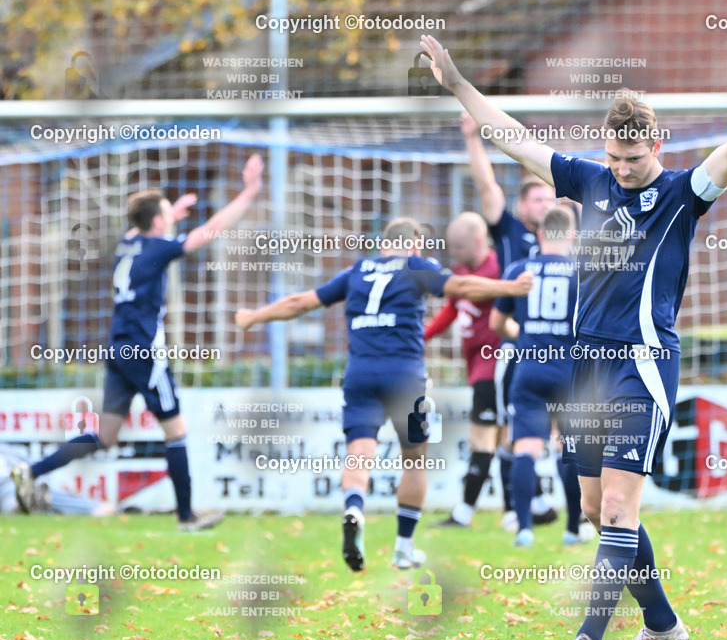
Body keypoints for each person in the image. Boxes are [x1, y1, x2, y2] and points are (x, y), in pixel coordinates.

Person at [418, 26, 727, 640]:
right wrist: (458, 83)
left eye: (635, 159)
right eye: (616, 159)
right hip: (584, 368)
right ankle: (663, 625)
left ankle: (585, 639)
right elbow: (514, 139)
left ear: (658, 143)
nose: (624, 171)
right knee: (598, 510)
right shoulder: (590, 181)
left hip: (643, 365)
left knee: (621, 508)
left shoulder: (680, 195)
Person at [234, 218, 533, 570]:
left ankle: (354, 508)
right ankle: (404, 547)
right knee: (414, 459)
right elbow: (463, 285)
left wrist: (253, 316)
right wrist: (511, 288)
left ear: (382, 244)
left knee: (359, 454)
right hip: (404, 377)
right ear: (415, 245)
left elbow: (301, 302)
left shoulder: (357, 271)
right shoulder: (416, 266)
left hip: (360, 375)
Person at [11, 154, 265, 531]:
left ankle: (30, 471)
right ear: (158, 222)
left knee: (107, 435)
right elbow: (210, 230)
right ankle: (186, 517)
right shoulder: (159, 249)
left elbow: (144, 229)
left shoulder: (125, 245)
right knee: (176, 432)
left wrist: (170, 212)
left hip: (118, 349)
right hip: (145, 352)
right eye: (167, 214)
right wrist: (249, 192)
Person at [461, 111, 558, 531]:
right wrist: (472, 138)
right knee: (510, 426)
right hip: (517, 349)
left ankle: (567, 513)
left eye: (551, 199)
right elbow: (488, 187)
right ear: (523, 206)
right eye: (538, 199)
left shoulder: (566, 241)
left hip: (559, 351)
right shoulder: (511, 233)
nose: (546, 205)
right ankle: (514, 510)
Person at [490, 206, 585, 547]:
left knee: (526, 448)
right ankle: (574, 528)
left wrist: (528, 335)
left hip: (529, 369)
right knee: (568, 449)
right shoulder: (583, 273)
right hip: (569, 372)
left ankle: (525, 529)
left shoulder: (519, 270)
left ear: (541, 234)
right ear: (573, 236)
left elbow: (497, 324)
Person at [425, 212, 505, 528]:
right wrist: (423, 336)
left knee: (482, 439)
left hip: (494, 365)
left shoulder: (498, 270)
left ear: (477, 240)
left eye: (459, 248)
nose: (454, 255)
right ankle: (532, 509)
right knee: (504, 441)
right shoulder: (461, 272)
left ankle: (464, 512)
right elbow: (452, 307)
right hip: (476, 367)